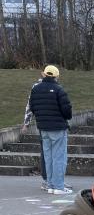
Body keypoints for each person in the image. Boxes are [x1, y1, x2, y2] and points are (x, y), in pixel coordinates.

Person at [22, 65, 73, 195]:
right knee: (59, 158)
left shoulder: (35, 89)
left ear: (44, 74)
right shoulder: (58, 89)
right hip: (57, 127)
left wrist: (28, 122)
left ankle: (50, 184)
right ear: (56, 76)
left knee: (48, 157)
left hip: (43, 127)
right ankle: (59, 186)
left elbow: (31, 107)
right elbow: (67, 110)